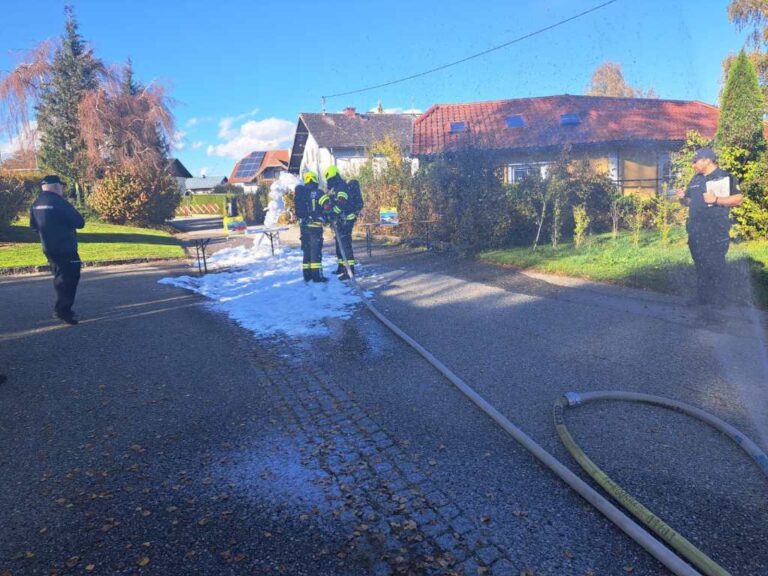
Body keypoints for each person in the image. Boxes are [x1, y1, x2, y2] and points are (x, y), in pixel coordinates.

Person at [676, 147, 743, 306]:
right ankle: (703, 298)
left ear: (707, 160)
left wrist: (717, 200)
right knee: (700, 263)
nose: (693, 165)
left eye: (695, 161)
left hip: (715, 229)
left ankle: (721, 300)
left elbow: (738, 199)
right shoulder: (696, 179)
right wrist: (682, 198)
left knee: (716, 263)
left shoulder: (725, 177)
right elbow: (689, 202)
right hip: (695, 229)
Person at [29, 175, 85, 324]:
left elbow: (34, 226)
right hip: (66, 247)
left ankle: (63, 308)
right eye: (61, 186)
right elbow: (79, 222)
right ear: (56, 187)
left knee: (60, 276)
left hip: (48, 247)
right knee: (70, 278)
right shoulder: (60, 203)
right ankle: (62, 310)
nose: (62, 189)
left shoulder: (36, 203)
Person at [325, 165, 364, 280]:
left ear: (332, 177)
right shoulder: (337, 187)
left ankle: (349, 270)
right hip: (342, 220)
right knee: (339, 244)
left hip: (346, 220)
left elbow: (342, 202)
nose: (328, 182)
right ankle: (341, 268)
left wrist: (333, 213)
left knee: (345, 245)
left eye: (328, 179)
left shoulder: (341, 187)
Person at [294, 171, 332, 283]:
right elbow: (327, 206)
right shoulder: (318, 193)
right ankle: (317, 277)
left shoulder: (302, 193)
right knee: (315, 252)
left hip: (304, 227)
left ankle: (307, 276)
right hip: (315, 228)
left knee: (307, 251)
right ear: (315, 180)